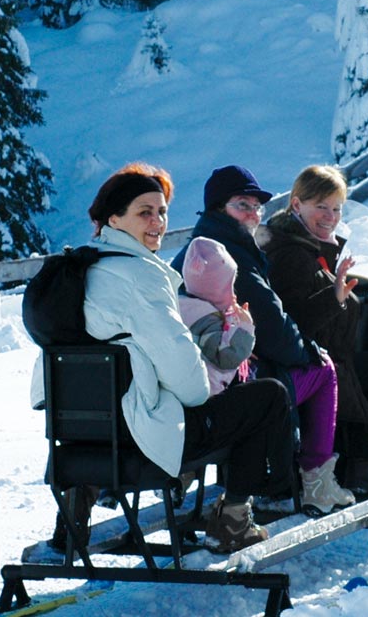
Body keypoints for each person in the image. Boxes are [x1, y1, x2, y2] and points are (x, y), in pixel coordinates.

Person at [75, 166, 294, 552]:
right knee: (267, 397)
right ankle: (233, 520)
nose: (158, 222)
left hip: (89, 433)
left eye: (162, 212)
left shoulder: (82, 269)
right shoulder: (144, 277)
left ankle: (75, 509)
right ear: (114, 219)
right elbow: (188, 379)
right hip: (146, 432)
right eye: (145, 212)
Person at [172, 165, 350, 504]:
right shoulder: (232, 255)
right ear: (218, 209)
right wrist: (308, 352)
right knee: (323, 371)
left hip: (192, 381)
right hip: (226, 386)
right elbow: (273, 327)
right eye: (243, 205)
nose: (253, 214)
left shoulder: (194, 248)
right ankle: (316, 481)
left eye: (257, 206)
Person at [260, 165, 368, 511]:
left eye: (337, 208)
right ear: (297, 204)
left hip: (326, 353)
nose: (330, 216)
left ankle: (360, 466)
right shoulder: (289, 253)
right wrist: (335, 297)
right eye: (321, 207)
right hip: (307, 360)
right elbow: (294, 319)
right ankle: (356, 471)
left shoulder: (307, 245)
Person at [177, 238, 256, 397]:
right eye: (229, 286)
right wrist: (245, 327)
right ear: (215, 289)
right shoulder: (204, 317)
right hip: (212, 393)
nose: (233, 293)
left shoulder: (189, 306)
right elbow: (225, 357)